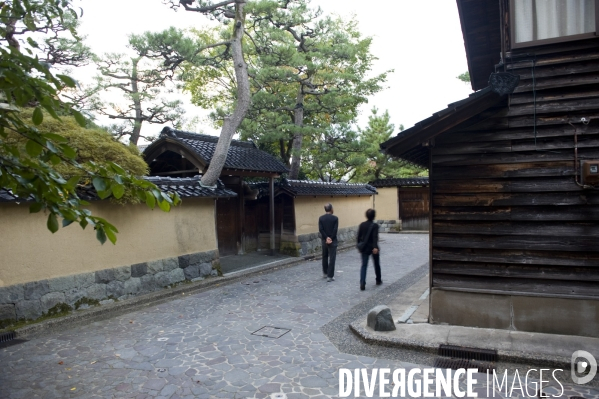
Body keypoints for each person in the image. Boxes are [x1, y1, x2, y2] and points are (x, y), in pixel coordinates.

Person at [357, 208, 381, 291]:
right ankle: (378, 279)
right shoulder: (375, 226)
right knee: (376, 264)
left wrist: (359, 246)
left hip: (364, 247)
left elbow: (359, 237)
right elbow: (375, 237)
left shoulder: (362, 225)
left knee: (364, 265)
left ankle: (362, 282)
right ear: (374, 216)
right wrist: (375, 247)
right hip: (373, 247)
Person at [318, 203, 338, 282]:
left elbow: (321, 229)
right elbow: (335, 230)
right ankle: (330, 276)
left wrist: (326, 238)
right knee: (332, 258)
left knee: (325, 256)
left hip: (324, 239)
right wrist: (331, 238)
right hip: (333, 240)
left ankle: (325, 273)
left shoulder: (321, 218)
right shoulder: (335, 218)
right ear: (331, 209)